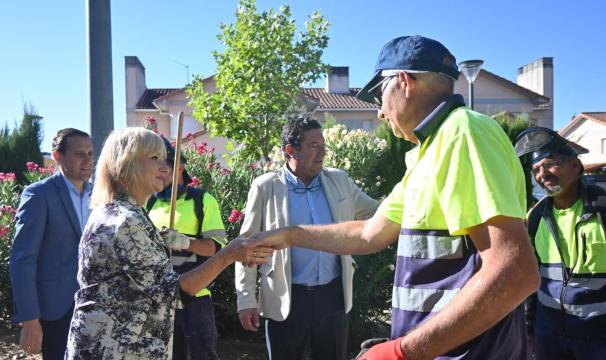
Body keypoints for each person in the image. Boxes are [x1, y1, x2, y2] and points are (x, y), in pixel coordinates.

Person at [238, 35, 541, 359]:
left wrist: (403, 351)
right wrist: (287, 235)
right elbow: (369, 232)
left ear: (404, 82)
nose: (380, 112)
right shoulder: (426, 154)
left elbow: (515, 271)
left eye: (378, 94)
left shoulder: (464, 133)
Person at [64, 127, 272, 359]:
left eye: (165, 159)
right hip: (115, 349)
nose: (165, 167)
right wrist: (228, 254)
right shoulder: (125, 220)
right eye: (154, 158)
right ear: (126, 163)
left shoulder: (118, 211)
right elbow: (171, 293)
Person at [235, 117, 379, 360]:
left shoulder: (339, 181)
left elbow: (377, 212)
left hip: (333, 297)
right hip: (286, 298)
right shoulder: (265, 187)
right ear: (291, 151)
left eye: (323, 145)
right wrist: (246, 299)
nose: (323, 152)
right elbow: (247, 247)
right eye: (315, 146)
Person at [514, 127, 606, 360]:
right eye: (536, 170)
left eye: (550, 164)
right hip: (549, 335)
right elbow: (531, 278)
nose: (542, 174)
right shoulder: (535, 217)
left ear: (575, 165)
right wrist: (530, 326)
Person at [10, 128, 93, 359]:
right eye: (79, 154)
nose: (88, 160)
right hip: (57, 311)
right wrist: (29, 319)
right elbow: (23, 259)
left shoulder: (99, 196)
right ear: (58, 157)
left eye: (90, 153)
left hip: (97, 307)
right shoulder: (39, 194)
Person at [147, 137, 227, 360]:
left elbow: (217, 248)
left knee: (201, 355)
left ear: (179, 167)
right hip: (159, 296)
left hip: (195, 295)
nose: (159, 172)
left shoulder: (202, 201)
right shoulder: (149, 203)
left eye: (164, 166)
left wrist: (185, 242)